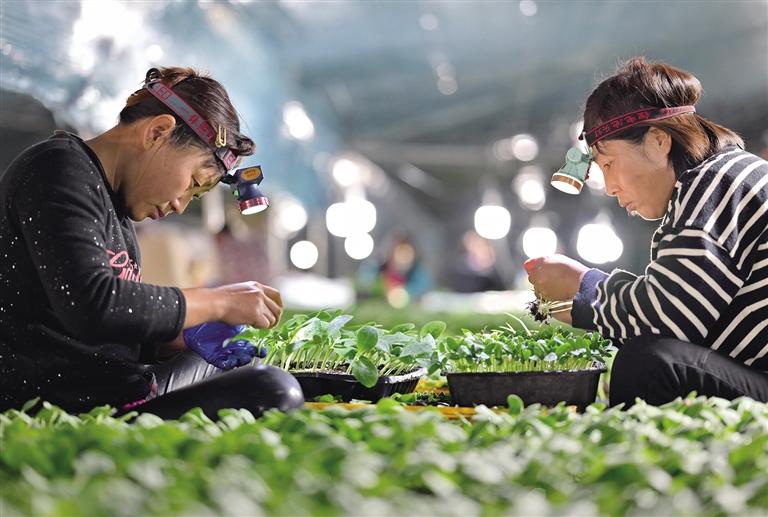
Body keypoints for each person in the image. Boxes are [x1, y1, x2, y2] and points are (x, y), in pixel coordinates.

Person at [0, 67, 304, 419]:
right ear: (157, 132)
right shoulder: (57, 168)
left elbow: (108, 334)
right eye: (192, 184)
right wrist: (219, 301)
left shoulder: (117, 211)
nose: (180, 205)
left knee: (244, 366)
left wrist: (178, 339)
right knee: (272, 389)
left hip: (112, 390)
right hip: (61, 407)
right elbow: (92, 305)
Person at [526, 57, 768, 408]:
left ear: (658, 141)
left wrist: (584, 288)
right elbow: (682, 312)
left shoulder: (716, 183)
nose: (610, 187)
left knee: (649, 362)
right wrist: (580, 303)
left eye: (609, 164)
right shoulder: (722, 178)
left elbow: (670, 318)